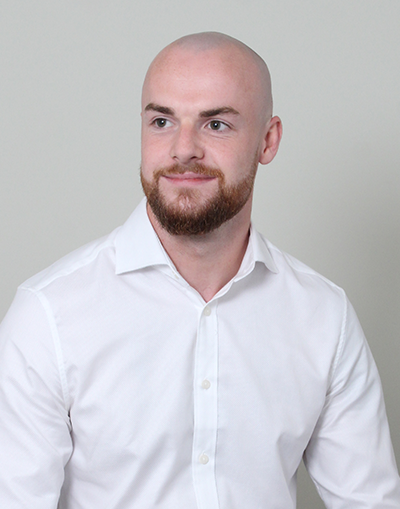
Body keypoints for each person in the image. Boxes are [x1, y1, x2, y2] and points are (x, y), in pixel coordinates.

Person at [0, 32, 399, 509]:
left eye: (216, 124)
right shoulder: (49, 316)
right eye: (162, 121)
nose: (183, 148)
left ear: (268, 140)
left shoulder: (323, 317)